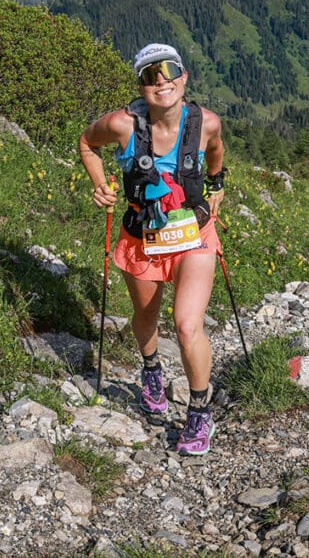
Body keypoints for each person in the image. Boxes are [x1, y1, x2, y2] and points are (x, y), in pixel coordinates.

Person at [79, 42, 226, 455]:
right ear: (141, 87)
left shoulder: (206, 123)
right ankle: (151, 371)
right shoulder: (123, 125)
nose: (161, 80)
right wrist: (100, 184)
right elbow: (87, 142)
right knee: (145, 317)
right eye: (149, 75)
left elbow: (215, 153)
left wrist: (217, 185)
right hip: (142, 236)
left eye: (168, 70)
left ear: (184, 77)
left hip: (194, 234)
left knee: (185, 324)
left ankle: (199, 413)